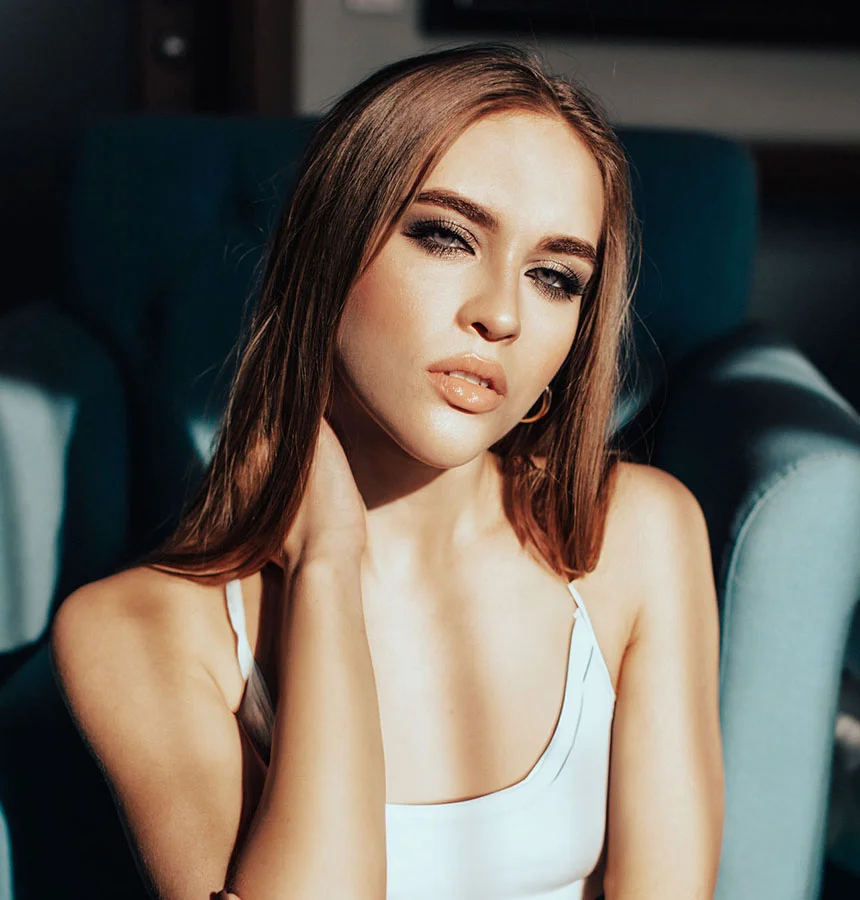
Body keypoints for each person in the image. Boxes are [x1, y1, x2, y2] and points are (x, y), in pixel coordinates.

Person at [49, 41, 725, 900]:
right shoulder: (137, 632)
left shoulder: (637, 536)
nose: (502, 314)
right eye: (446, 236)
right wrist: (329, 565)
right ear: (328, 253)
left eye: (555, 276)